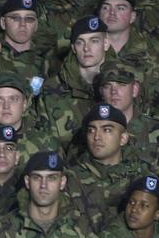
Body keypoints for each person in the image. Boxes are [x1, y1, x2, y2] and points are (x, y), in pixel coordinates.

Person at [40, 16, 111, 148]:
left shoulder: (123, 84)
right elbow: (46, 140)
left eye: (94, 41)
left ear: (106, 44)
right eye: (80, 42)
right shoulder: (51, 89)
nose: (86, 48)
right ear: (73, 48)